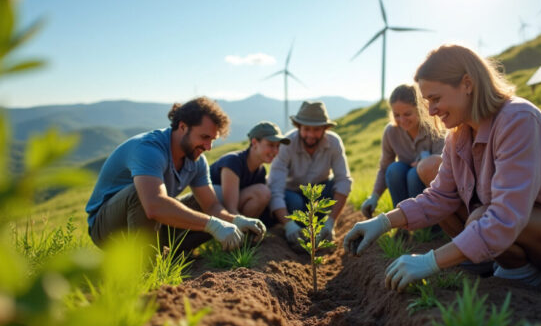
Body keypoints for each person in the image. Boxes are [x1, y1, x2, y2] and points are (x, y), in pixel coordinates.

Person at [343, 44, 541, 290]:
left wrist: (430, 261)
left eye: (435, 99)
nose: (432, 111)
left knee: (481, 217)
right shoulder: (458, 136)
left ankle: (522, 273)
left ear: (467, 84)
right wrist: (383, 222)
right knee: (467, 206)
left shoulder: (518, 120)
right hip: (517, 228)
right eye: (427, 102)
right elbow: (440, 197)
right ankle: (495, 261)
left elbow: (506, 215)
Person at [85, 97, 266, 252]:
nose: (208, 147)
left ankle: (168, 253)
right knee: (141, 194)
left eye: (212, 140)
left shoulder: (196, 160)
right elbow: (154, 205)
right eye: (204, 137)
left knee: (209, 201)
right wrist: (212, 225)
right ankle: (144, 265)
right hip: (108, 229)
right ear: (183, 127)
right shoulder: (149, 149)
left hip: (150, 223)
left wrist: (235, 220)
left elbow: (211, 206)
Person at [268, 101, 353, 252]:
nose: (311, 135)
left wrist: (331, 222)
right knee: (295, 202)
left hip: (320, 192)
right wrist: (288, 225)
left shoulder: (334, 143)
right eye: (306, 129)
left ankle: (322, 228)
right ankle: (297, 234)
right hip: (293, 195)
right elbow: (275, 188)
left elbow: (343, 181)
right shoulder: (286, 144)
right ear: (299, 127)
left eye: (316, 130)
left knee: (335, 186)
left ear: (325, 129)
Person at [360, 83, 445, 219]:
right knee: (394, 169)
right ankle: (401, 220)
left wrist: (423, 165)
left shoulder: (434, 128)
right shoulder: (391, 131)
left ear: (420, 110)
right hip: (405, 177)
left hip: (431, 187)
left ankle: (427, 221)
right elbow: (384, 168)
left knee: (413, 174)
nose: (402, 120)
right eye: (396, 115)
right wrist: (374, 197)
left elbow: (443, 164)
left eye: (407, 114)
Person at [209, 121, 289, 219]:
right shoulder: (232, 162)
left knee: (264, 192)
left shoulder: (260, 171)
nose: (276, 151)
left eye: (278, 146)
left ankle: (246, 231)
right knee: (262, 191)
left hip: (226, 212)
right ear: (254, 142)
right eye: (271, 145)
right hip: (207, 207)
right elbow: (230, 208)